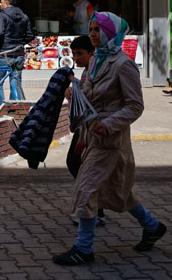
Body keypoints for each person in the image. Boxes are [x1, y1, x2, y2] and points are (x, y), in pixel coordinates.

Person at [53, 12, 167, 266]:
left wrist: (109, 124)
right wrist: (76, 97)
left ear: (111, 33)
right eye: (91, 29)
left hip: (111, 140)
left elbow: (135, 105)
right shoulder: (96, 60)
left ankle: (84, 248)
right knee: (119, 191)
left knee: (86, 188)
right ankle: (153, 226)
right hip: (93, 136)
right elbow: (91, 97)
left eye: (97, 29)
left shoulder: (123, 64)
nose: (92, 34)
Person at [66, 35, 105, 227]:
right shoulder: (86, 73)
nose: (76, 58)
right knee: (77, 164)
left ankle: (94, 211)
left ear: (92, 53)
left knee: (79, 165)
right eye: (73, 54)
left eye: (79, 53)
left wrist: (83, 136)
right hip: (85, 125)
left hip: (95, 127)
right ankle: (96, 209)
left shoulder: (97, 72)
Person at [0, 0, 35, 106]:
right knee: (16, 82)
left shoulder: (1, 16)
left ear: (6, 3)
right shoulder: (24, 16)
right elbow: (30, 35)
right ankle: (15, 111)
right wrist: (20, 44)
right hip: (19, 55)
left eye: (1, 2)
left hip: (3, 54)